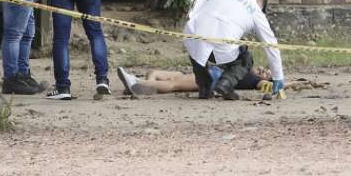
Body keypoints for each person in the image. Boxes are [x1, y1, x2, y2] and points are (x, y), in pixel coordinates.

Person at [184, 0, 285, 100]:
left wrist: (195, 19)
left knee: (197, 48)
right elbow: (270, 44)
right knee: (246, 58)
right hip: (222, 47)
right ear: (261, 5)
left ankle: (204, 88)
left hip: (192, 35)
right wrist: (278, 76)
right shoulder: (256, 12)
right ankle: (226, 83)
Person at [116, 66, 274, 97]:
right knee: (173, 78)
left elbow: (271, 86)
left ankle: (136, 82)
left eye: (266, 74)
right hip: (210, 73)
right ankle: (141, 87)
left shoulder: (255, 81)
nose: (264, 71)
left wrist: (289, 83)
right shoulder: (244, 64)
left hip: (212, 78)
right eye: (265, 68)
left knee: (174, 84)